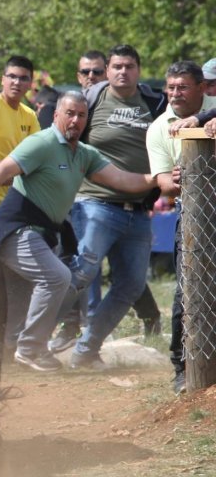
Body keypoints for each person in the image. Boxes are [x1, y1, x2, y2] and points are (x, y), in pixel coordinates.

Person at [0, 91, 156, 372]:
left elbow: (122, 180)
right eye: (70, 113)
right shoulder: (42, 142)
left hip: (39, 235)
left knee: (19, 297)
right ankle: (30, 350)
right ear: (57, 114)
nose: (75, 120)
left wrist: (156, 179)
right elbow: (2, 170)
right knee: (56, 278)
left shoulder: (84, 154)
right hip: (15, 229)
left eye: (81, 115)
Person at [63, 44, 168, 370]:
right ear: (108, 70)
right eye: (117, 66)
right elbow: (64, 140)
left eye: (130, 66)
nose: (123, 72)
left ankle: (85, 350)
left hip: (137, 209)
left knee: (131, 284)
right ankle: (31, 340)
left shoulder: (154, 102)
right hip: (94, 203)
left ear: (138, 69)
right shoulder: (91, 101)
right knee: (83, 271)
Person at [148, 61, 216, 394]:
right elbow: (161, 181)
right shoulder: (159, 127)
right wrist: (173, 180)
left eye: (183, 87)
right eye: (171, 87)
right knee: (186, 294)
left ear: (202, 88)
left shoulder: (212, 111)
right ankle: (182, 367)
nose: (175, 93)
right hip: (193, 219)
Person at [0, 55, 40, 210]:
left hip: (14, 202)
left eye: (23, 78)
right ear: (2, 80)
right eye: (12, 76)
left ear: (30, 84)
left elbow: (38, 154)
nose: (17, 82)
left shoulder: (29, 115)